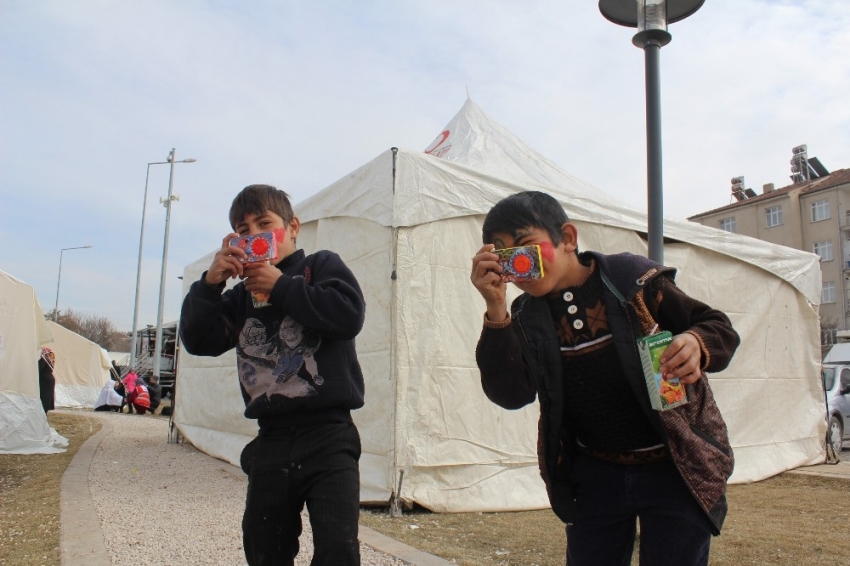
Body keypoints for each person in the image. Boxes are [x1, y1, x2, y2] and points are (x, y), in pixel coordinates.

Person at [470, 191, 740, 566]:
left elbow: (719, 328)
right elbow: (511, 394)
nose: (518, 265)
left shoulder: (631, 281)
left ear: (567, 238)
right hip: (596, 475)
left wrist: (696, 342)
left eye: (527, 247)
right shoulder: (525, 315)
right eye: (504, 255)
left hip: (674, 466)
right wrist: (495, 307)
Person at [179, 184, 366, 565]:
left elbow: (349, 315)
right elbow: (199, 339)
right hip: (272, 438)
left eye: (264, 224)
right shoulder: (239, 295)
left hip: (329, 435)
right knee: (264, 546)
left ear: (293, 227)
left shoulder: (321, 266)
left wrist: (281, 286)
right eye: (242, 230)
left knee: (338, 549)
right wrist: (209, 285)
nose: (254, 236)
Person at [38, 347, 56, 413]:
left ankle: (43, 414)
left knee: (43, 399)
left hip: (44, 380)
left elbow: (39, 370)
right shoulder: (50, 359)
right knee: (47, 399)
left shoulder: (43, 359)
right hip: (50, 379)